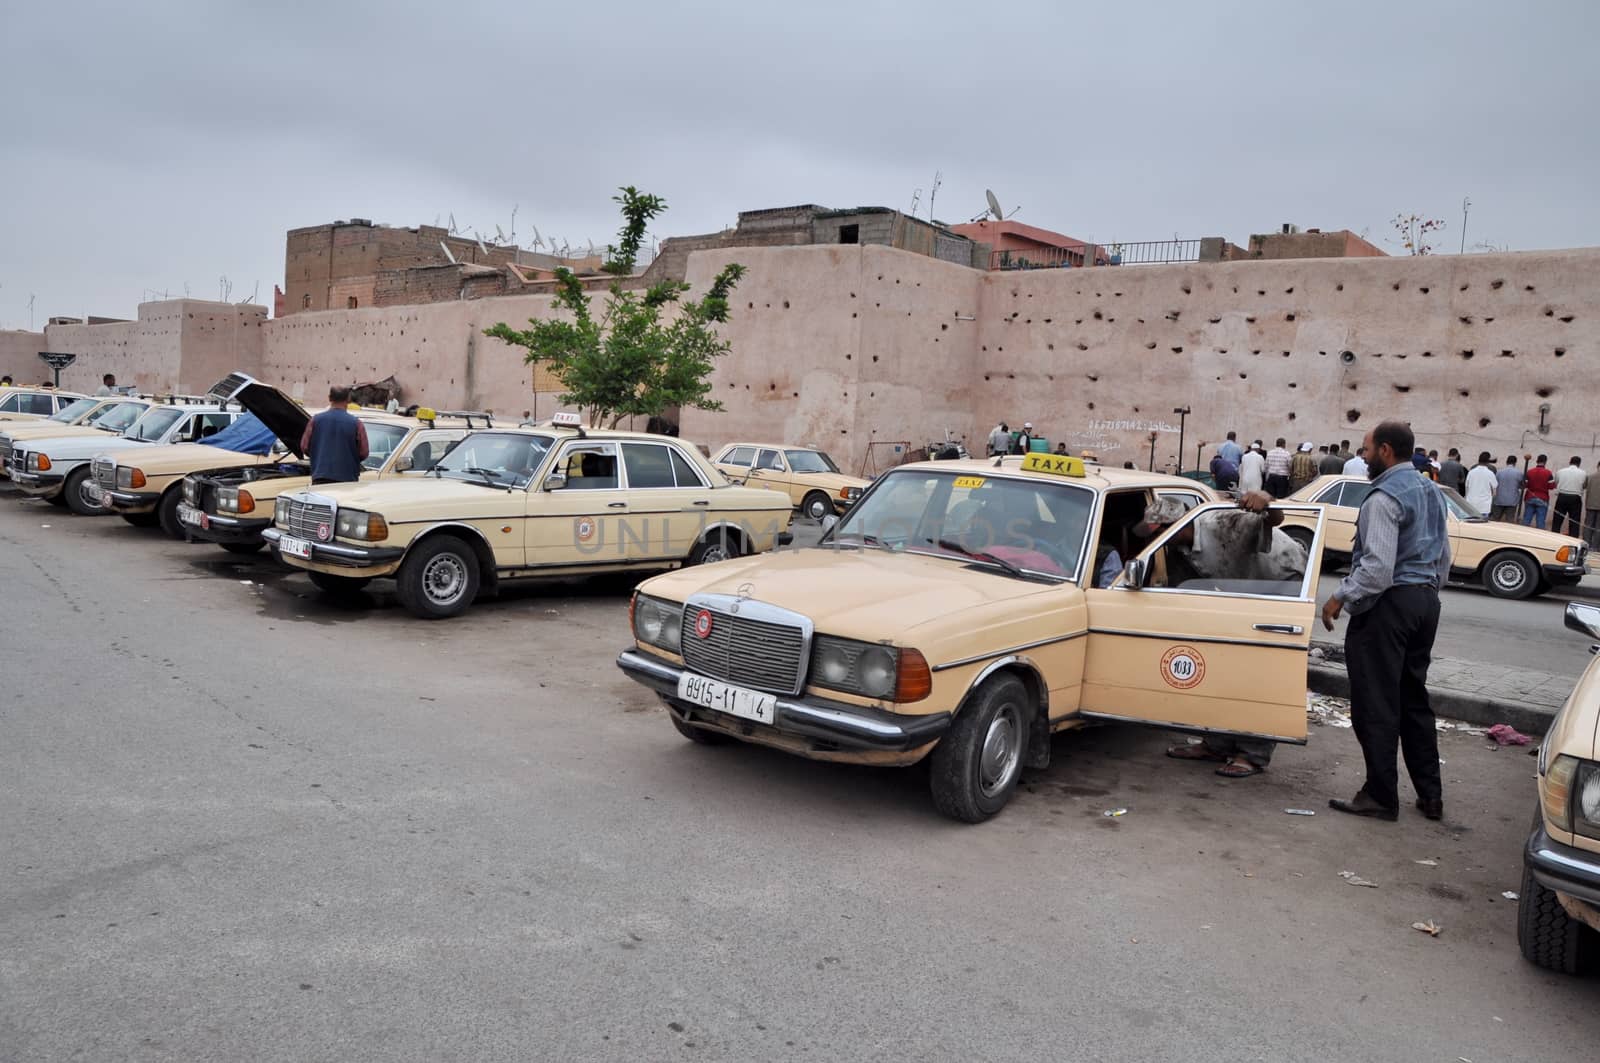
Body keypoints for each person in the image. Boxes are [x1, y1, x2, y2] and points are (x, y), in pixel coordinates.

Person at [1322, 420, 1450, 821]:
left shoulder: (1382, 497)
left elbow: (1377, 569)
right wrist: (1423, 593)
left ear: (1387, 451)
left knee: (1376, 704)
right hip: (1424, 602)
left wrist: (1339, 597)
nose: (1362, 457)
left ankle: (1380, 795)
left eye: (1366, 450)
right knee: (1414, 701)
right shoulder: (1432, 491)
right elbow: (1443, 558)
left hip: (1389, 606)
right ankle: (1431, 796)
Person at [1136, 491, 1308, 779]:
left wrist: (1265, 499)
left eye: (1157, 533)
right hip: (1239, 591)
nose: (1152, 541)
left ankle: (1252, 754)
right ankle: (1216, 743)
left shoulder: (1224, 522)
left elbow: (1274, 519)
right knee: (1221, 670)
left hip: (1280, 582)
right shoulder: (1178, 548)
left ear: (1175, 527)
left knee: (1260, 677)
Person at [300, 385, 369, 485]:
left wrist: (319, 456)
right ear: (348, 399)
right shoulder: (357, 424)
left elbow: (304, 447)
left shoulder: (315, 421)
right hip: (348, 479)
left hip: (320, 476)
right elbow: (364, 452)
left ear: (329, 398)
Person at [1552, 456, 1586, 537]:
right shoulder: (1583, 473)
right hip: (1575, 497)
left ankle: (1553, 537)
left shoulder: (1560, 471)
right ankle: (1573, 540)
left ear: (1570, 462)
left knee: (1557, 520)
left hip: (1562, 496)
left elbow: (1556, 483)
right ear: (1579, 464)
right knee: (1574, 521)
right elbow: (1584, 486)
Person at [1522, 454, 1554, 529]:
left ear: (1537, 461)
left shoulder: (1529, 472)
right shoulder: (1548, 473)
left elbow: (1524, 485)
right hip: (1543, 498)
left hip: (1530, 497)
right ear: (1545, 462)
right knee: (1540, 521)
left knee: (1526, 520)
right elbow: (1552, 486)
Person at [1493, 455, 1522, 521]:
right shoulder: (1519, 473)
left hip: (1499, 499)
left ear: (1506, 462)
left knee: (1495, 520)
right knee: (1509, 520)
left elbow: (1495, 484)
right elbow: (1522, 486)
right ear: (1515, 463)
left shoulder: (1499, 472)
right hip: (1512, 501)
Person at [1586, 462, 1600, 551]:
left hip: (1590, 504)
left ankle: (1587, 544)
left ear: (1597, 466)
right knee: (1598, 528)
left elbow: (1585, 487)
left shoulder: (1590, 476)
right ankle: (1595, 547)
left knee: (1588, 526)